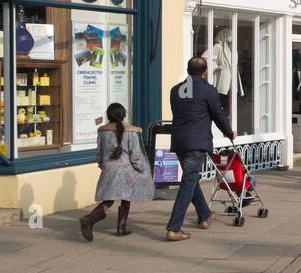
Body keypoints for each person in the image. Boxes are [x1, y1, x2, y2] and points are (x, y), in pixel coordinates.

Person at [167, 56, 236, 242]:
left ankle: (204, 216)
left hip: (179, 141)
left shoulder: (175, 90)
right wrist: (229, 132)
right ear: (205, 72)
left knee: (191, 179)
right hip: (196, 142)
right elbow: (218, 114)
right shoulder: (208, 90)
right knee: (188, 181)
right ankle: (174, 228)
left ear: (188, 70)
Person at [80, 102, 154, 241]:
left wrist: (104, 166)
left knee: (108, 199)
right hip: (127, 171)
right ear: (124, 115)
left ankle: (90, 219)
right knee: (126, 198)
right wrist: (143, 169)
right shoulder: (131, 132)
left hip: (109, 169)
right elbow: (136, 155)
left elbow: (99, 154)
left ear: (108, 116)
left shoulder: (102, 132)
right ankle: (120, 227)